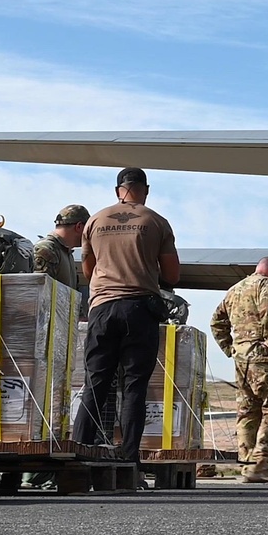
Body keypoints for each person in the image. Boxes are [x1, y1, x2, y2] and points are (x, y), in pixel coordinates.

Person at [73, 168, 180, 467]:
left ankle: (80, 454)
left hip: (103, 307)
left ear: (117, 189)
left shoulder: (95, 220)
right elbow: (172, 274)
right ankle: (129, 458)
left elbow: (87, 271)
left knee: (95, 383)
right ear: (145, 189)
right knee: (134, 386)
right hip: (139, 309)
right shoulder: (156, 221)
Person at [212, 257, 268, 483]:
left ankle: (247, 464)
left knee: (247, 411)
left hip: (241, 360)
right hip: (263, 358)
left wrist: (230, 349)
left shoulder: (234, 290)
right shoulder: (266, 285)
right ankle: (260, 462)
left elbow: (216, 322)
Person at [34, 204, 89, 305]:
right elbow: (39, 294)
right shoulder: (46, 249)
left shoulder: (66, 253)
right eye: (87, 229)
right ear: (79, 226)